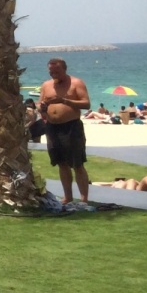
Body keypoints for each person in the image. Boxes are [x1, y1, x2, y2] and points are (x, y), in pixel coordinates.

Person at [38, 57, 91, 205]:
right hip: (52, 127)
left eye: (57, 71)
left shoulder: (76, 83)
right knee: (61, 163)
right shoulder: (46, 85)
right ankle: (68, 197)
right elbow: (40, 103)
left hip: (71, 127)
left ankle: (84, 199)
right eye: (51, 71)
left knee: (77, 163)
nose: (53, 74)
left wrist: (65, 101)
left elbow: (86, 103)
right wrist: (42, 108)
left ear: (64, 69)